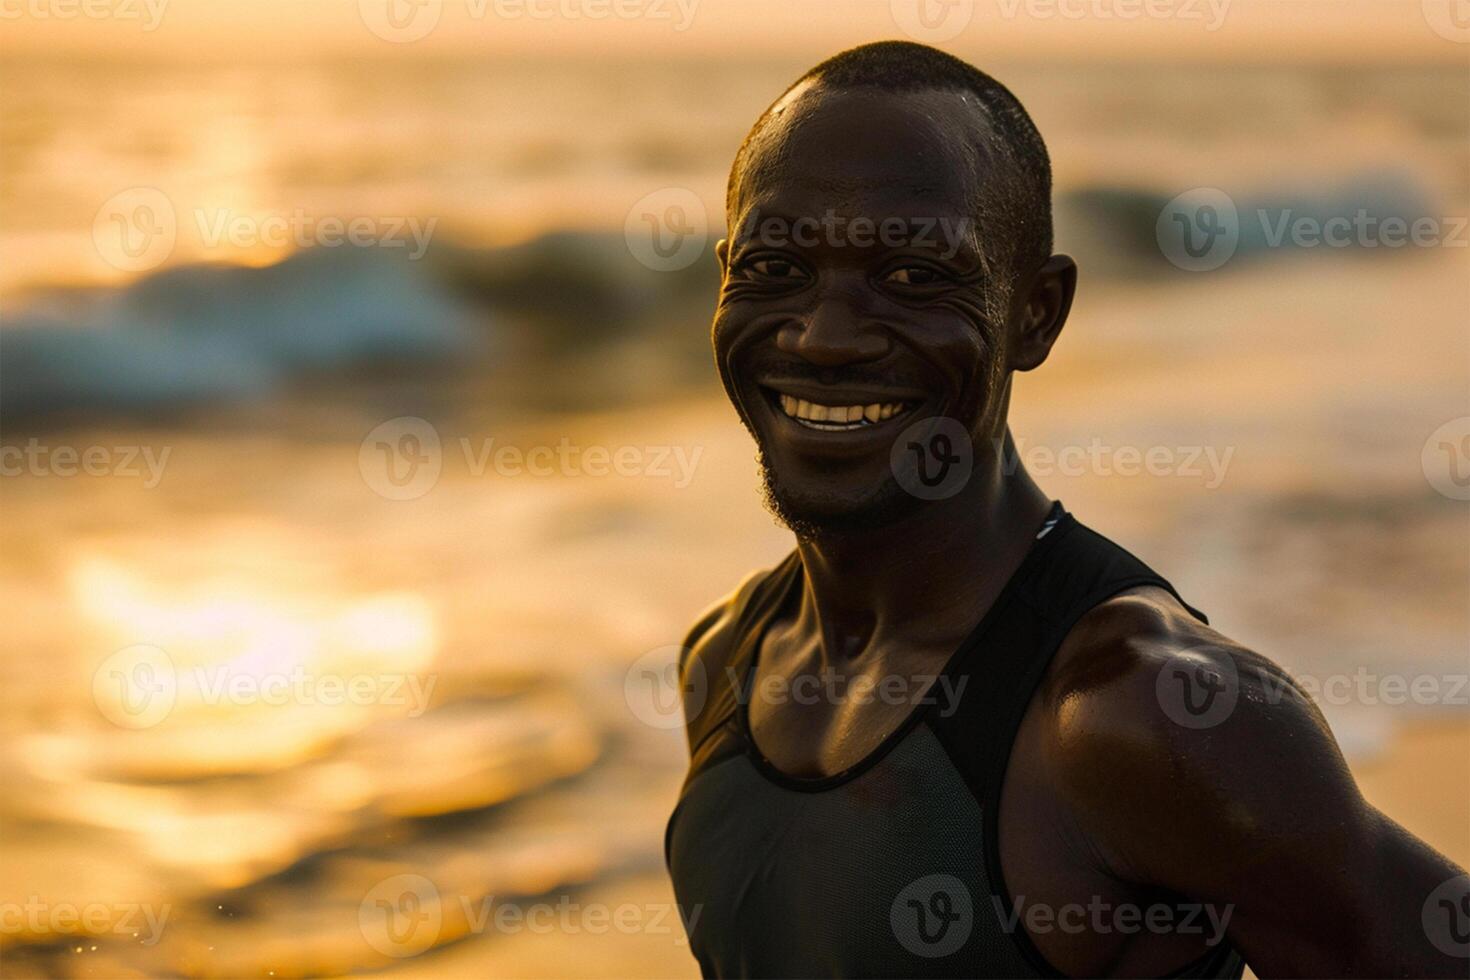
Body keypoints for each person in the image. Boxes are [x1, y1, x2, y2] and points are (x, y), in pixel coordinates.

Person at [664, 40, 1469, 978]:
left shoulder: (1146, 717)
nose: (825, 336)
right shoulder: (725, 658)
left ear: (1036, 313)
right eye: (774, 268)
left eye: (916, 278)